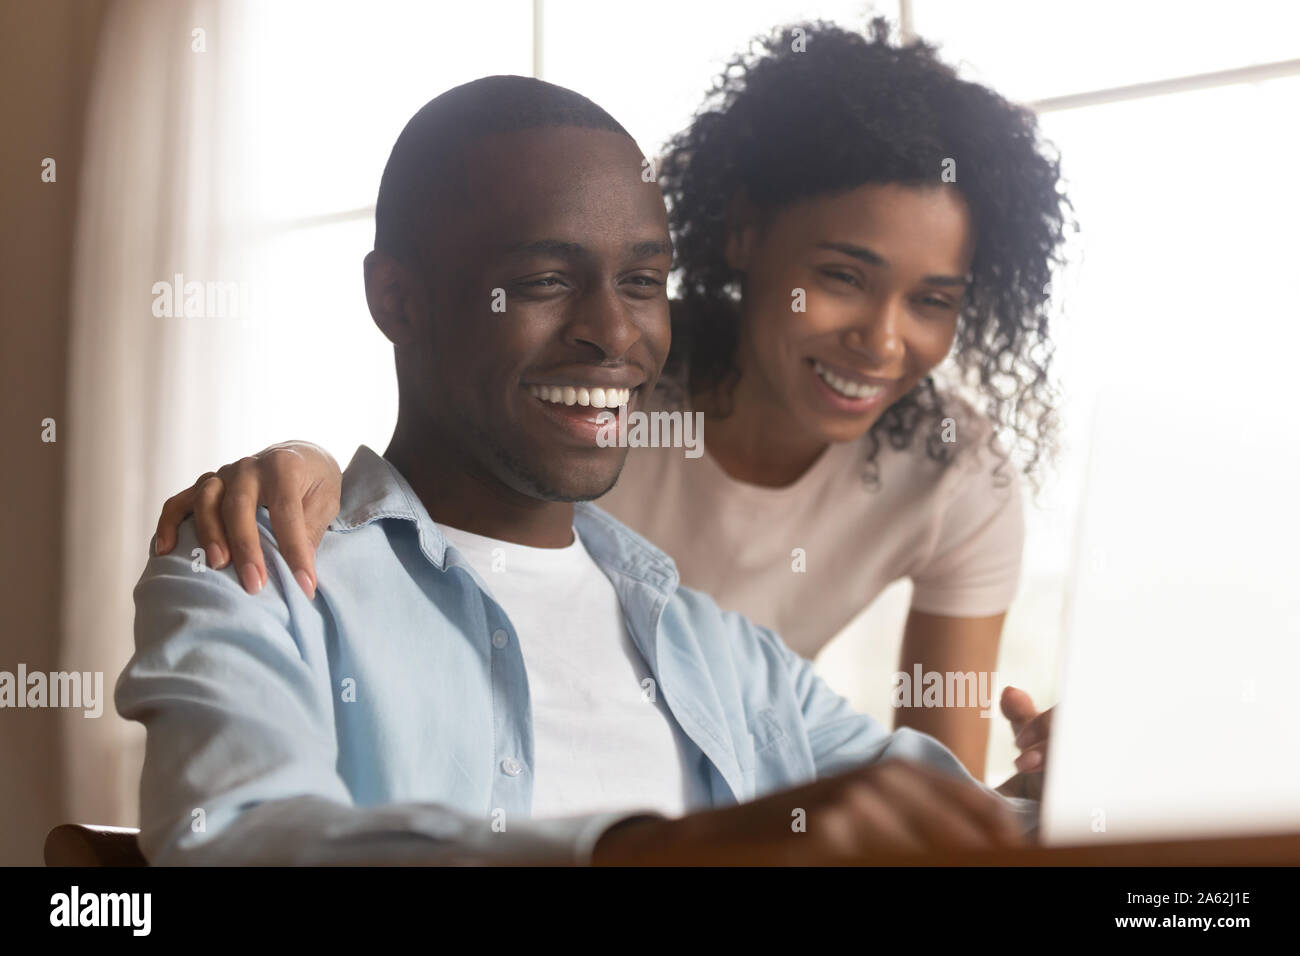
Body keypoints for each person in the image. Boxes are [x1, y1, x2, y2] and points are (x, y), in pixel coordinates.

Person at [118, 75, 1044, 867]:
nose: (615, 333)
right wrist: (645, 851)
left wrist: (1073, 790)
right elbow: (232, 842)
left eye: (643, 282)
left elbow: (969, 834)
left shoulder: (726, 655)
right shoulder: (253, 574)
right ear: (396, 298)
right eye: (544, 282)